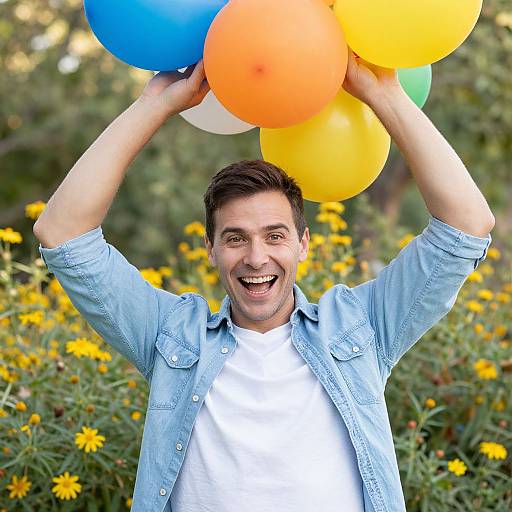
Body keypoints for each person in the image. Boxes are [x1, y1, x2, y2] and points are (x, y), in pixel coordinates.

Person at [33, 53, 494, 512]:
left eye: (275, 236)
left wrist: (383, 93)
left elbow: (467, 225)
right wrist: (155, 104)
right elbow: (63, 233)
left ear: (303, 243)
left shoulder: (362, 327)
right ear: (210, 249)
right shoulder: (170, 335)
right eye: (235, 238)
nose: (256, 258)